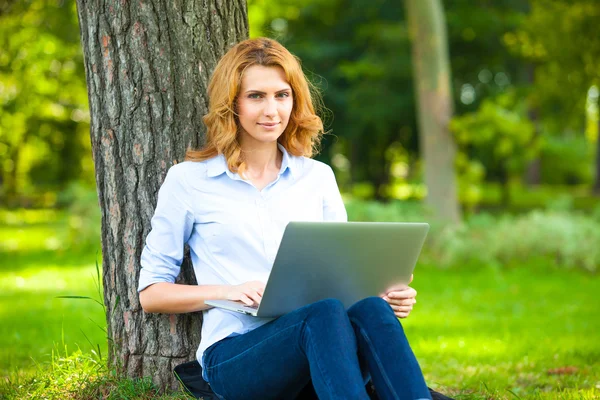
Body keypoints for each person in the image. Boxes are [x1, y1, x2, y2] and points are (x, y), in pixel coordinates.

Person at [138, 37, 433, 400]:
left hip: (325, 346)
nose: (272, 110)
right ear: (231, 104)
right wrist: (227, 291)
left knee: (368, 308)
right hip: (238, 353)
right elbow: (151, 293)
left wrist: (387, 292)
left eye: (282, 95)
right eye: (256, 96)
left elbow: (340, 276)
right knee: (321, 314)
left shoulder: (317, 177)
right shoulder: (189, 181)